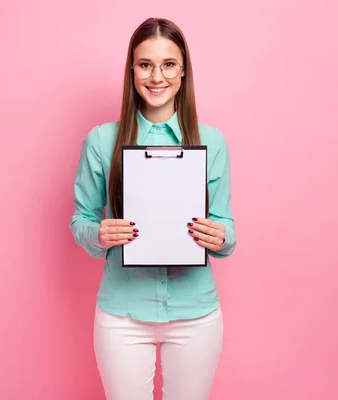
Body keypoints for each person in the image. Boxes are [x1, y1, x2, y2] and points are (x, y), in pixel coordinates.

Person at [69, 17, 236, 400]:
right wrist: (99, 234)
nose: (156, 76)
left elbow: (227, 226)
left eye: (168, 64)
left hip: (196, 315)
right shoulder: (101, 141)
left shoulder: (212, 141)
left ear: (183, 71)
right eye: (145, 64)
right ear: (132, 70)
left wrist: (220, 235)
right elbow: (81, 219)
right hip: (122, 314)